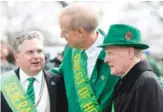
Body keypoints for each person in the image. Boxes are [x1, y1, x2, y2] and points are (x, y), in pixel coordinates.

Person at [50, 3, 119, 112]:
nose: (61, 35)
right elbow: (61, 74)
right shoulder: (70, 51)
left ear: (80, 32)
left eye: (65, 31)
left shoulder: (118, 55)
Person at [99, 24, 163, 112]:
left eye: (110, 53)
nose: (105, 60)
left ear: (129, 52)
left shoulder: (147, 83)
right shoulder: (127, 81)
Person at [1, 31, 68, 112]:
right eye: (30, 52)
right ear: (17, 57)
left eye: (39, 51)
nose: (36, 56)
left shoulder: (58, 82)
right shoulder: (4, 83)